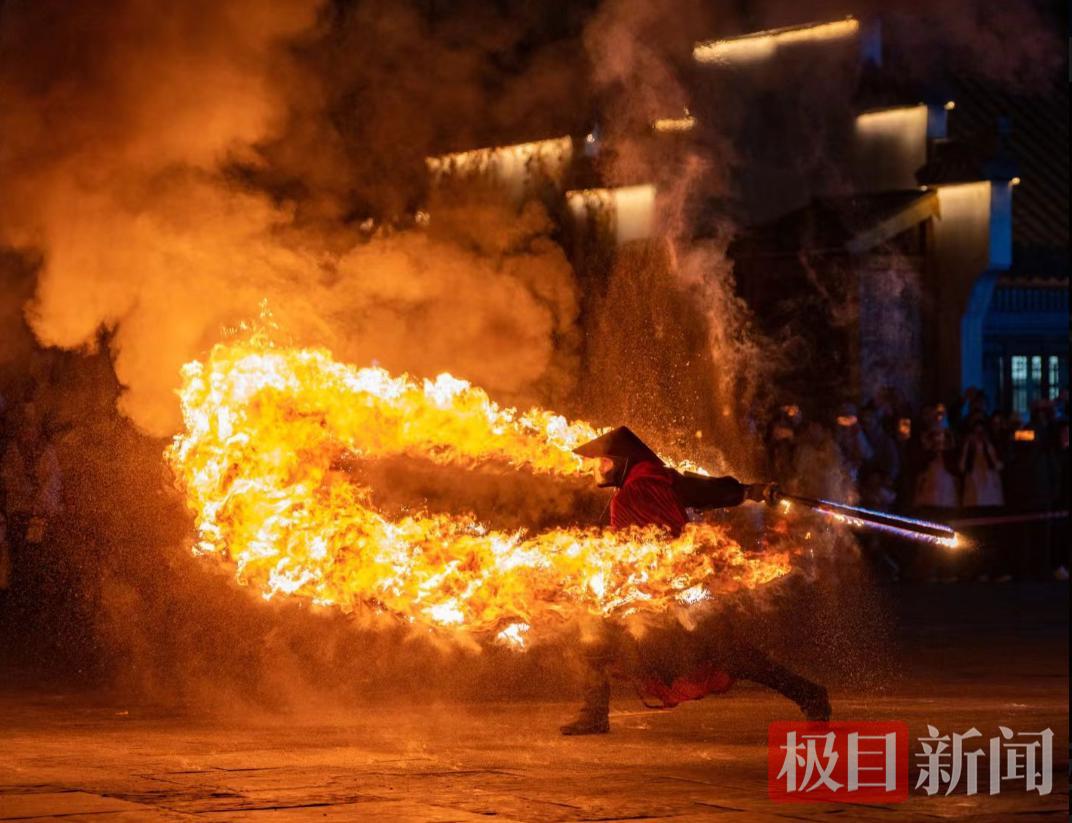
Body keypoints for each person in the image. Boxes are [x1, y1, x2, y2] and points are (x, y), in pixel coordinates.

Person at [560, 426, 831, 735]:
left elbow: (706, 490)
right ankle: (594, 713)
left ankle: (810, 694)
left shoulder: (655, 480)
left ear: (620, 461)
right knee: (592, 633)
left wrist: (751, 491)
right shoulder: (633, 490)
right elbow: (612, 538)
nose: (595, 468)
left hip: (684, 587)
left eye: (602, 461)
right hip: (643, 589)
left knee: (733, 655)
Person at [959, 421, 1004, 507]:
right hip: (973, 479)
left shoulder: (989, 446)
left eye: (981, 433)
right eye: (976, 432)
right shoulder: (968, 447)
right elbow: (962, 466)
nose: (979, 436)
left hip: (989, 478)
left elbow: (998, 464)